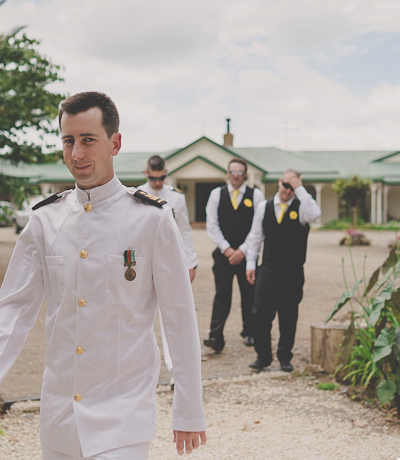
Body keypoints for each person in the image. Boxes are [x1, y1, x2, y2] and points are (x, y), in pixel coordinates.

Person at [0, 92, 206, 460]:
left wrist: (189, 407)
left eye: (88, 139)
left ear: (115, 143)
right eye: (68, 141)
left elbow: (179, 319)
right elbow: (12, 309)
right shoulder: (45, 220)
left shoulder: (151, 219)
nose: (77, 152)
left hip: (124, 414)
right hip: (59, 416)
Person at [245, 169, 321, 373]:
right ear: (279, 183)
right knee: (260, 313)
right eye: (285, 185)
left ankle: (285, 357)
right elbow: (254, 237)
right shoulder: (264, 207)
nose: (287, 190)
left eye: (291, 187)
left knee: (289, 316)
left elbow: (316, 214)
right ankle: (263, 356)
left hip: (293, 272)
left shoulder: (303, 208)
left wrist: (299, 188)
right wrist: (250, 264)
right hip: (268, 270)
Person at [137, 155, 197, 380]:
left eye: (161, 178)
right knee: (138, 316)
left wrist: (190, 262)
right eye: (153, 178)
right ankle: (142, 372)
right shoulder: (137, 196)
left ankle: (175, 372)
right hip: (143, 263)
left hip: (170, 263)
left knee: (171, 316)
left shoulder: (176, 198)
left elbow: (185, 231)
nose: (158, 183)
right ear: (146, 174)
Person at [203, 157, 264, 352]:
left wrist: (243, 251)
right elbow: (212, 225)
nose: (236, 176)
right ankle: (215, 336)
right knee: (222, 296)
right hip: (223, 255)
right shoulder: (216, 195)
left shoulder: (256, 196)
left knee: (249, 295)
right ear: (227, 174)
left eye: (240, 172)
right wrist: (227, 249)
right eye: (233, 172)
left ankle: (250, 332)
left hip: (247, 255)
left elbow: (258, 227)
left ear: (245, 175)